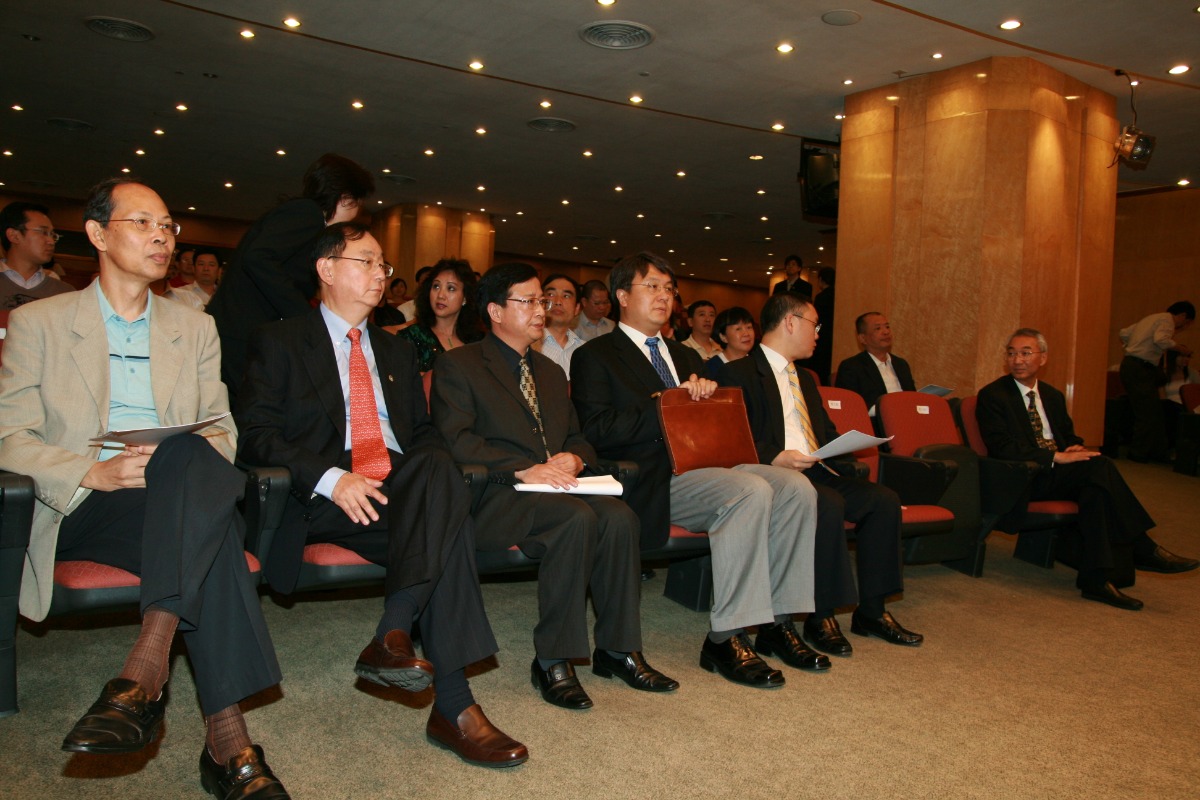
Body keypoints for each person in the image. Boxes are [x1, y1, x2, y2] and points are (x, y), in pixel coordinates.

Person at [0, 179, 290, 797]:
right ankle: (226, 742)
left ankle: (147, 674)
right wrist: (92, 471)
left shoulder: (196, 327)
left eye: (167, 226)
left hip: (176, 491)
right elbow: (9, 437)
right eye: (142, 223)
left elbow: (223, 432)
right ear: (98, 235)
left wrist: (170, 458)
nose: (162, 236)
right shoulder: (38, 322)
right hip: (83, 501)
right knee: (212, 532)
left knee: (187, 455)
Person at [236, 222, 526, 768]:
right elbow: (256, 435)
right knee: (449, 526)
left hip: (399, 484)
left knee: (437, 464)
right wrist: (333, 478)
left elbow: (422, 434)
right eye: (366, 261)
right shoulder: (279, 339)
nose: (380, 274)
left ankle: (395, 629)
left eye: (383, 265)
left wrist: (420, 470)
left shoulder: (395, 351)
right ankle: (454, 705)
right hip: (325, 492)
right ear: (326, 269)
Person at [432, 262, 677, 709]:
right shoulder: (459, 365)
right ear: (495, 312)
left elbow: (578, 435)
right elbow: (457, 440)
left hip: (555, 487)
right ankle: (553, 658)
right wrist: (523, 468)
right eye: (527, 301)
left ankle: (619, 648)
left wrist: (575, 457)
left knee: (620, 518)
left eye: (541, 300)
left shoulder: (548, 371)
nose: (540, 310)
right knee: (575, 518)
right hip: (495, 494)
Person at [572, 251, 821, 687]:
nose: (664, 296)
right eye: (652, 286)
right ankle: (727, 636)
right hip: (651, 476)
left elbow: (715, 426)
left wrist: (708, 402)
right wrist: (667, 404)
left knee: (796, 487)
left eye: (669, 289)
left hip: (706, 466)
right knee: (749, 490)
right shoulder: (596, 355)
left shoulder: (684, 356)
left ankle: (779, 622)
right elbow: (597, 431)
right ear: (622, 296)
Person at [718, 293, 920, 655]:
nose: (817, 334)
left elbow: (822, 432)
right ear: (790, 322)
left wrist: (848, 444)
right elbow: (731, 436)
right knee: (826, 503)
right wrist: (775, 456)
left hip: (816, 469)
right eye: (814, 325)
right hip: (771, 476)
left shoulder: (805, 379)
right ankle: (820, 615)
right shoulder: (737, 372)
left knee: (883, 501)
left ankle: (872, 611)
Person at [975, 328, 1199, 610]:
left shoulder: (1052, 396)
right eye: (1011, 353)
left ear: (1043, 358)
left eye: (1025, 353)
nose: (1017, 360)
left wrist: (1074, 448)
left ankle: (1096, 580)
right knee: (1100, 468)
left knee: (1096, 492)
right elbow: (1002, 447)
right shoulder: (994, 395)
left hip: (1059, 474)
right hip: (1025, 476)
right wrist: (1055, 456)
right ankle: (1142, 547)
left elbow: (1068, 436)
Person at [207, 152, 374, 404]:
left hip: (241, 329)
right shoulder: (306, 213)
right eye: (356, 201)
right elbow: (258, 258)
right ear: (344, 197)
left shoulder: (305, 216)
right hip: (240, 331)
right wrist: (302, 314)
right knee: (248, 408)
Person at [1118, 301, 1195, 462]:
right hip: (1141, 367)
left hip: (1132, 365)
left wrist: (1133, 346)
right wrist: (1179, 348)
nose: (1183, 326)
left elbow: (1124, 333)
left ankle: (1154, 452)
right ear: (1182, 316)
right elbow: (1161, 340)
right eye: (1187, 322)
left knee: (1151, 411)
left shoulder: (1151, 318)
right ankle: (1139, 452)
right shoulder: (1167, 320)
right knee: (1147, 412)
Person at [396, 259, 484, 372]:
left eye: (451, 288)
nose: (441, 295)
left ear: (465, 298)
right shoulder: (411, 337)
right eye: (436, 286)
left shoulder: (478, 341)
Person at [835, 312, 916, 417]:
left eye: (887, 327)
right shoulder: (852, 367)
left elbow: (912, 397)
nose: (886, 332)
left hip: (907, 419)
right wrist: (889, 408)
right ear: (863, 338)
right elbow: (849, 406)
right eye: (878, 328)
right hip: (876, 422)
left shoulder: (901, 364)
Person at [0, 201, 75, 308]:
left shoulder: (64, 293)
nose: (51, 241)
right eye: (43, 232)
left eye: (52, 235)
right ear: (14, 236)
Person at [532, 272, 586, 377]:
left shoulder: (585, 350)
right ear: (540, 302)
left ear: (577, 308)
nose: (558, 302)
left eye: (566, 296)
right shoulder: (527, 345)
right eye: (551, 294)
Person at [800, 267, 836, 383]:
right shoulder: (837, 294)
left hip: (822, 335)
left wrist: (814, 332)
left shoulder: (821, 297)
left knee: (819, 366)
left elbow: (817, 320)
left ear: (821, 280)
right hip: (833, 334)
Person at [1162, 350, 1200, 447]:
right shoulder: (1165, 373)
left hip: (1186, 406)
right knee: (1168, 408)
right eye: (1182, 356)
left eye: (1188, 356)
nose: (1186, 359)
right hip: (1170, 405)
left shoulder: (1191, 373)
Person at [705, 306, 756, 378]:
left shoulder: (759, 364)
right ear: (723, 337)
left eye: (749, 327)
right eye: (738, 329)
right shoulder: (712, 368)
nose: (746, 333)